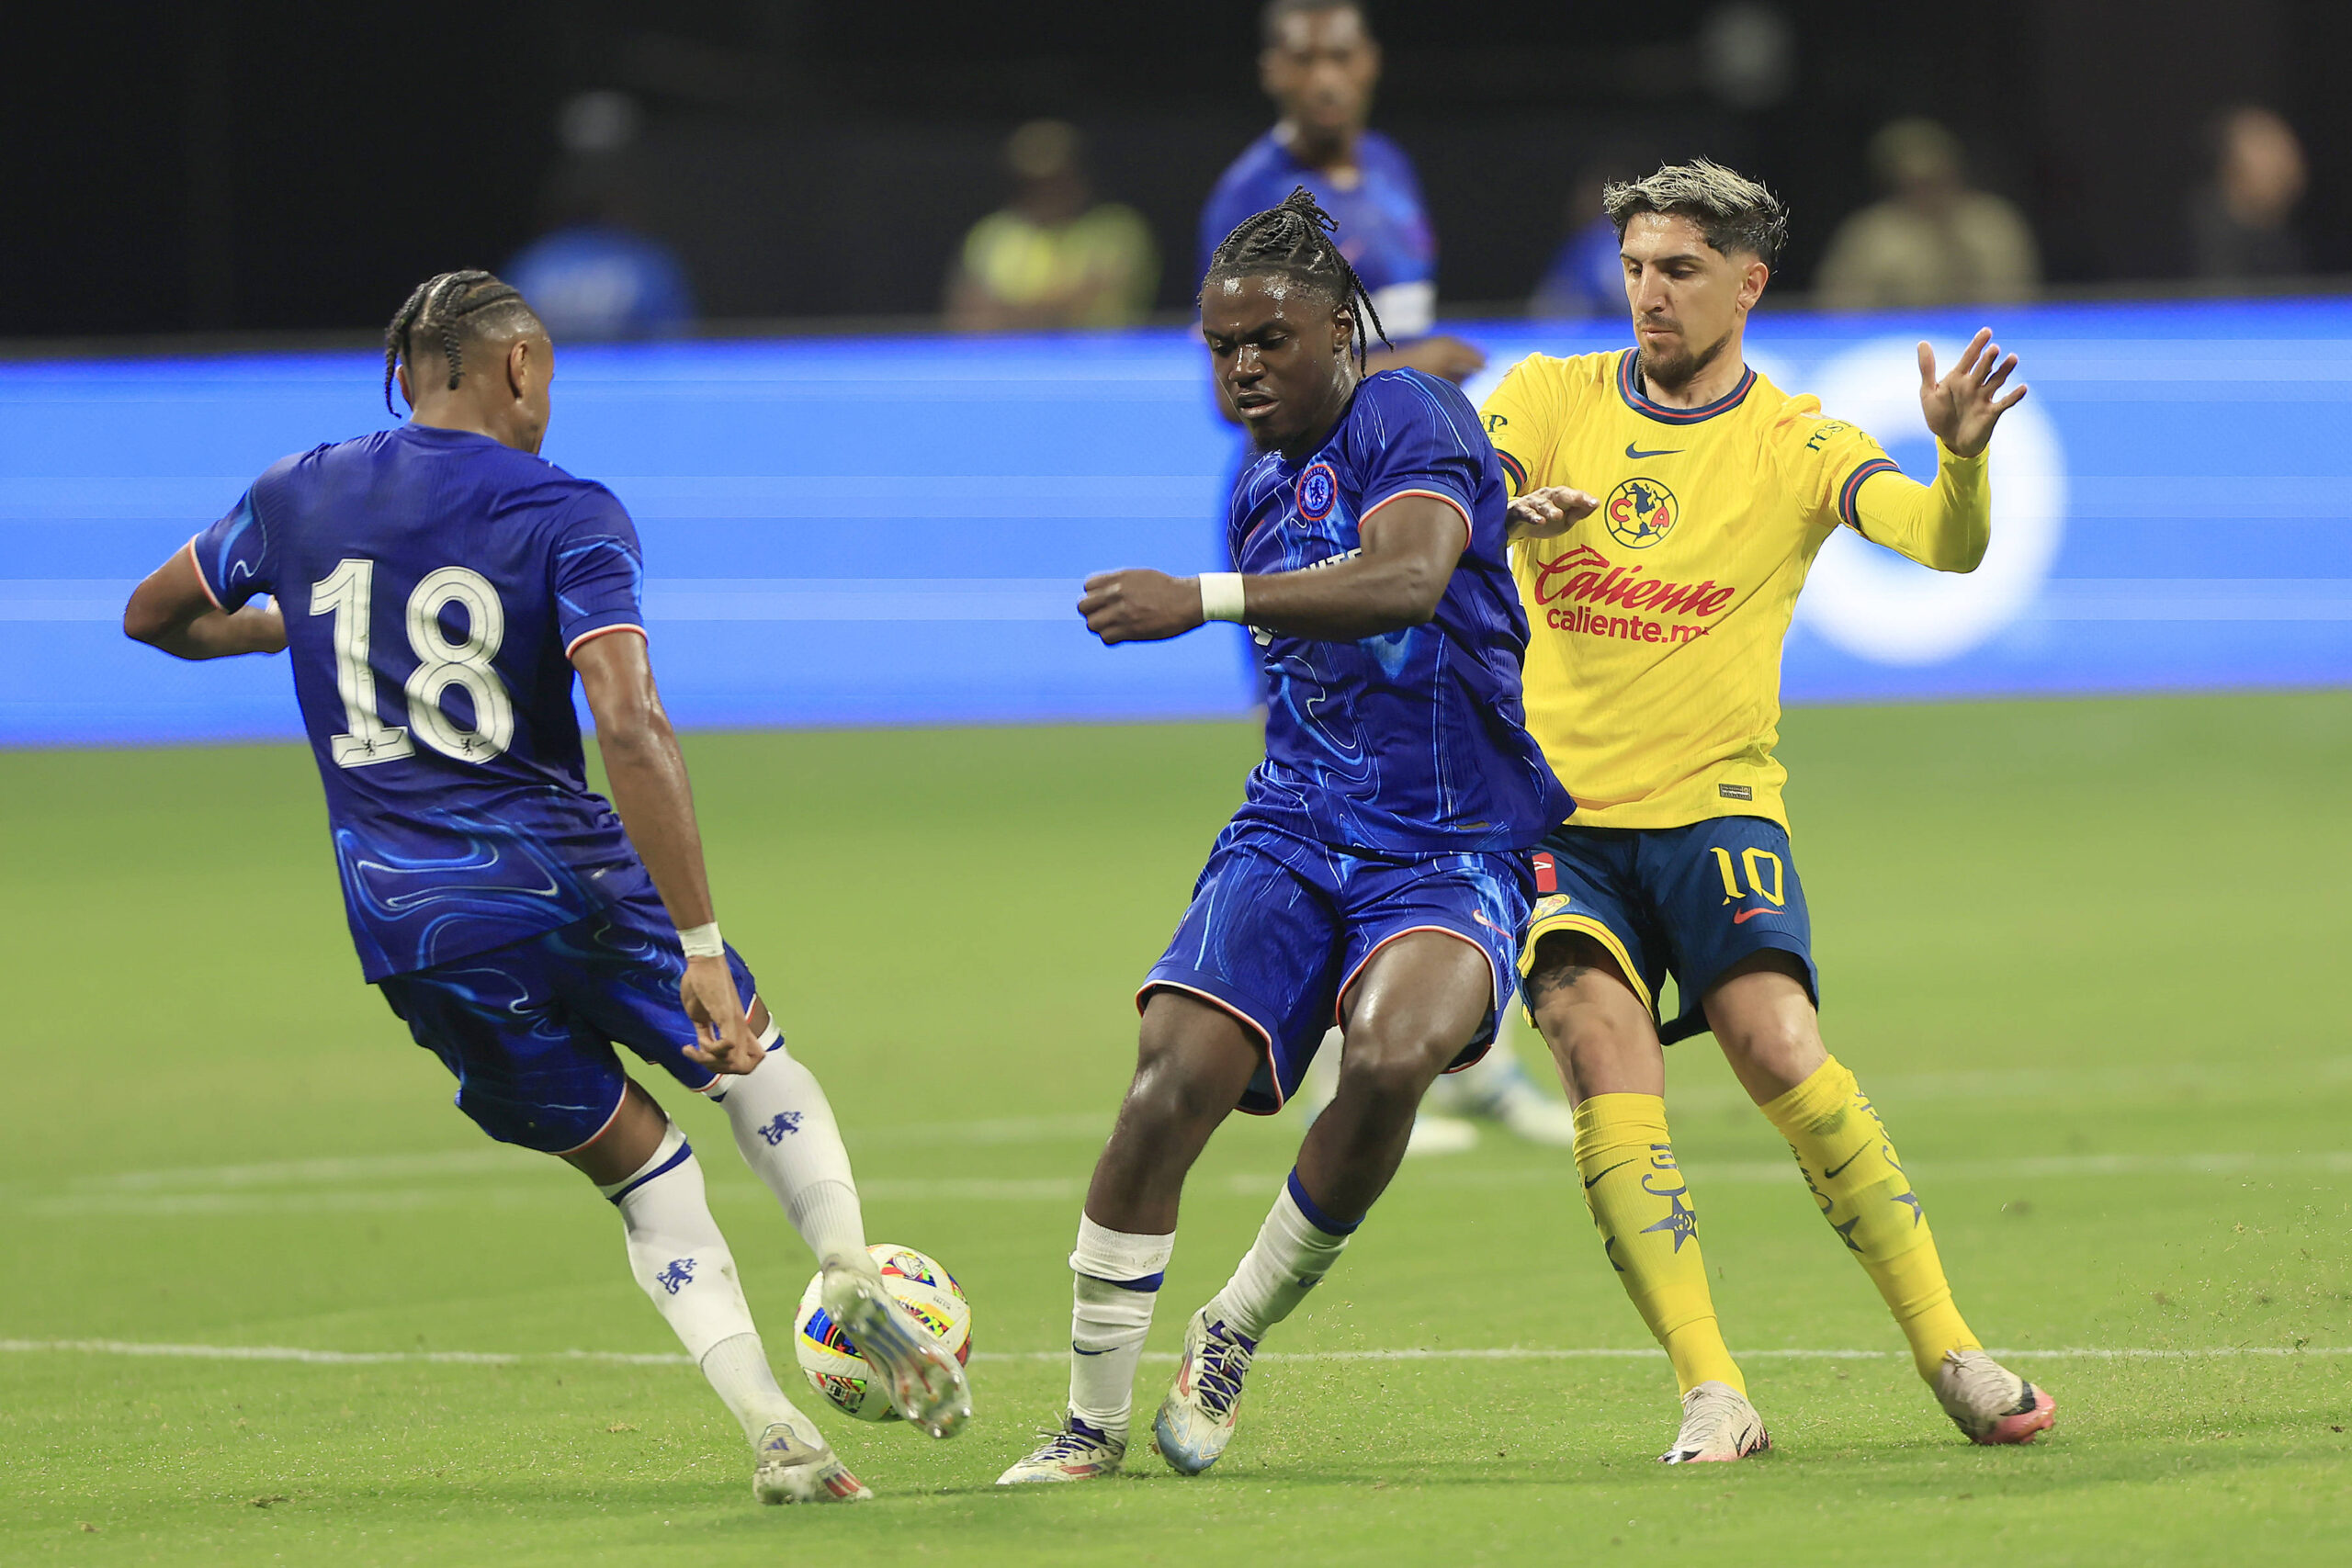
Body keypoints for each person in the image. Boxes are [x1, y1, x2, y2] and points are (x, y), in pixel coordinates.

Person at [119, 270, 970, 1505]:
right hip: (566, 874)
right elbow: (629, 718)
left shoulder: (293, 493)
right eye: (550, 379)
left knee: (641, 1174)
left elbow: (156, 614)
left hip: (416, 927)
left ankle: (778, 1434)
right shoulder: (562, 507)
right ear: (515, 366)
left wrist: (287, 627)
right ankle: (847, 1260)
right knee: (753, 1060)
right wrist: (700, 937)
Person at [1479, 162, 2057, 1462]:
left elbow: (1942, 545)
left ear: (1748, 281)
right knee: (1593, 1050)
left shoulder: (1794, 441)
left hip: (1716, 808)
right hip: (1557, 818)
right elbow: (1456, 498)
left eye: (1678, 270)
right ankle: (1711, 1388)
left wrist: (1959, 463)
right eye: (1634, 267)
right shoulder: (1546, 397)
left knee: (1782, 1049)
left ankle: (1951, 1348)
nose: (1648, 296)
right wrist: (1498, 513)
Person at [995, 190, 1574, 1485]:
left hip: (1451, 834)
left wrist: (1195, 602)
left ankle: (1232, 1325)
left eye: (1270, 339)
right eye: (1221, 346)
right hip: (1300, 822)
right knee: (1166, 1085)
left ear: (1339, 328)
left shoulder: (1406, 412)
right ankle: (1086, 1425)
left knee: (1394, 1053)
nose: (1245, 365)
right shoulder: (1256, 485)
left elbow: (1412, 573)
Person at [1200, 0, 1484, 384]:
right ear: (1272, 71)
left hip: (1399, 439)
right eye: (1304, 60)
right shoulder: (1251, 200)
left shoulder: (1389, 163)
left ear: (1371, 60)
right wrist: (1410, 369)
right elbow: (1233, 390)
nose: (1326, 80)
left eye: (1342, 56)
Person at [945, 119, 1159, 333]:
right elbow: (968, 318)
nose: (1047, 192)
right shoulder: (993, 234)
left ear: (1079, 177)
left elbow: (1095, 301)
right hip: (1011, 362)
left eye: (1057, 180)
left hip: (1103, 361)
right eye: (1033, 183)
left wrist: (1010, 313)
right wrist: (1063, 301)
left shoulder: (1117, 228)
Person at [1815, 118, 2040, 311]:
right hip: (1896, 346)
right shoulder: (1869, 234)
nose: (1926, 193)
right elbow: (1840, 313)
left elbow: (2016, 304)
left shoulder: (1993, 224)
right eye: (1913, 183)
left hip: (1979, 340)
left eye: (1935, 179)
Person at [2187, 106, 2307, 282]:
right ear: (2231, 165)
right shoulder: (2207, 240)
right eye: (2266, 149)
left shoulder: (2284, 236)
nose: (2287, 165)